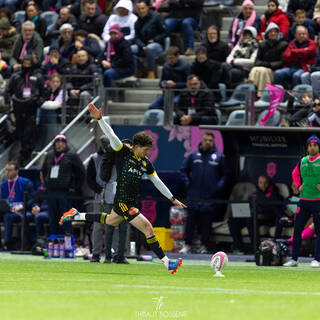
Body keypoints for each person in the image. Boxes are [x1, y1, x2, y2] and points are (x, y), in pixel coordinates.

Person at [60, 103, 185, 274]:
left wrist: (172, 198)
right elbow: (111, 135)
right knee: (148, 228)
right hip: (124, 202)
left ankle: (77, 215)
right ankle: (168, 263)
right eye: (146, 150)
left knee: (110, 220)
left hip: (129, 201)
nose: (148, 153)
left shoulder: (145, 163)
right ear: (136, 146)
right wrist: (100, 119)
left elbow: (157, 181)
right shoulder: (124, 152)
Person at [179, 132, 226, 254]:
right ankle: (187, 245)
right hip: (193, 196)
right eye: (206, 140)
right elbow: (183, 170)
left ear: (213, 142)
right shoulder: (193, 155)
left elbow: (225, 176)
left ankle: (203, 246)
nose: (208, 142)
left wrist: (217, 187)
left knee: (206, 223)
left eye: (210, 140)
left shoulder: (219, 157)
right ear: (202, 140)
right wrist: (187, 183)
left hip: (209, 197)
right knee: (190, 222)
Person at [87, 136, 129, 264]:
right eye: (106, 148)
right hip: (100, 196)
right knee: (98, 226)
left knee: (115, 224)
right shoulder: (94, 159)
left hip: (114, 195)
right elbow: (90, 179)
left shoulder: (117, 157)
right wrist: (99, 190)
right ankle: (95, 254)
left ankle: (116, 253)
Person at [284, 134, 320, 267]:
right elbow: (294, 174)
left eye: (315, 145)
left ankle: (317, 259)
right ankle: (294, 259)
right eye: (310, 145)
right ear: (307, 147)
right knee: (297, 229)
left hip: (318, 201)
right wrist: (299, 185)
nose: (312, 148)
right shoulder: (303, 161)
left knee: (319, 231)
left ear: (318, 147)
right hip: (304, 200)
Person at [41, 134, 85, 236]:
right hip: (51, 192)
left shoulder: (72, 156)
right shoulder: (49, 155)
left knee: (65, 217)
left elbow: (81, 172)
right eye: (57, 143)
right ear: (54, 144)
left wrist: (75, 187)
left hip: (65, 192)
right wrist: (46, 185)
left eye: (62, 143)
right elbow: (43, 171)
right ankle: (53, 241)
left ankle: (67, 241)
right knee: (52, 217)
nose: (59, 145)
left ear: (65, 144)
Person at [228, 175, 285, 253]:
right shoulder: (254, 195)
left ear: (269, 183)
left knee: (250, 220)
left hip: (268, 219)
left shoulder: (275, 195)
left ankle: (256, 248)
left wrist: (264, 216)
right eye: (261, 183)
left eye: (265, 183)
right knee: (232, 220)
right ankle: (238, 247)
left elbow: (277, 212)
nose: (263, 185)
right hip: (253, 217)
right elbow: (248, 207)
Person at [7, 54, 46, 166]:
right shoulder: (16, 76)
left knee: (29, 133)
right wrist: (12, 102)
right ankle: (22, 157)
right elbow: (9, 91)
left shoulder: (37, 76)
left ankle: (26, 156)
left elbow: (44, 92)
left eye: (29, 64)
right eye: (25, 63)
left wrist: (39, 101)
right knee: (20, 133)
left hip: (31, 108)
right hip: (18, 108)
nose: (27, 65)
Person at [1, 161, 34, 250]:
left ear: (16, 171)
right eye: (6, 170)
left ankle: (10, 243)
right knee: (7, 215)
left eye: (10, 170)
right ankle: (4, 243)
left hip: (21, 211)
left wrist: (22, 206)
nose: (7, 172)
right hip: (7, 211)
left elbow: (32, 199)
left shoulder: (25, 182)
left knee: (10, 217)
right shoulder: (3, 185)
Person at [248, 22, 288, 96]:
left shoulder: (283, 44)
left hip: (275, 69)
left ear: (278, 33)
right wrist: (264, 64)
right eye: (271, 31)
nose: (273, 33)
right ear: (267, 33)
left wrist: (269, 65)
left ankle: (260, 95)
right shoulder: (262, 45)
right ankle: (253, 92)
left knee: (262, 71)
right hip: (264, 67)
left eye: (275, 31)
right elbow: (257, 61)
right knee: (255, 69)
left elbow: (283, 61)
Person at [148, 46, 190, 110]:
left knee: (174, 103)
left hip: (180, 94)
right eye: (168, 58)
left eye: (172, 58)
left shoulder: (185, 66)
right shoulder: (166, 66)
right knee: (152, 106)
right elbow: (161, 82)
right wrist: (163, 84)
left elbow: (188, 84)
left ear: (177, 56)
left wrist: (175, 84)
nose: (170, 60)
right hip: (167, 94)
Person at [133, 0, 168, 79]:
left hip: (157, 45)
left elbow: (166, 33)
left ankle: (151, 72)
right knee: (130, 49)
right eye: (138, 9)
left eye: (143, 8)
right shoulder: (137, 21)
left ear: (147, 8)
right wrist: (142, 45)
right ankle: (141, 68)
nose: (141, 11)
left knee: (150, 48)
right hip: (143, 45)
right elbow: (136, 37)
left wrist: (155, 40)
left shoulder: (156, 17)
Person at [100, 24, 135, 88]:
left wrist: (111, 65)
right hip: (110, 66)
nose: (113, 35)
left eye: (115, 33)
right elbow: (103, 55)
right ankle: (99, 94)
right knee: (98, 71)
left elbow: (126, 59)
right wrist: (103, 62)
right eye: (111, 33)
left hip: (125, 68)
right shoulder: (108, 43)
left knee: (108, 73)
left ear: (119, 33)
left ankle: (109, 94)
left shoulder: (125, 44)